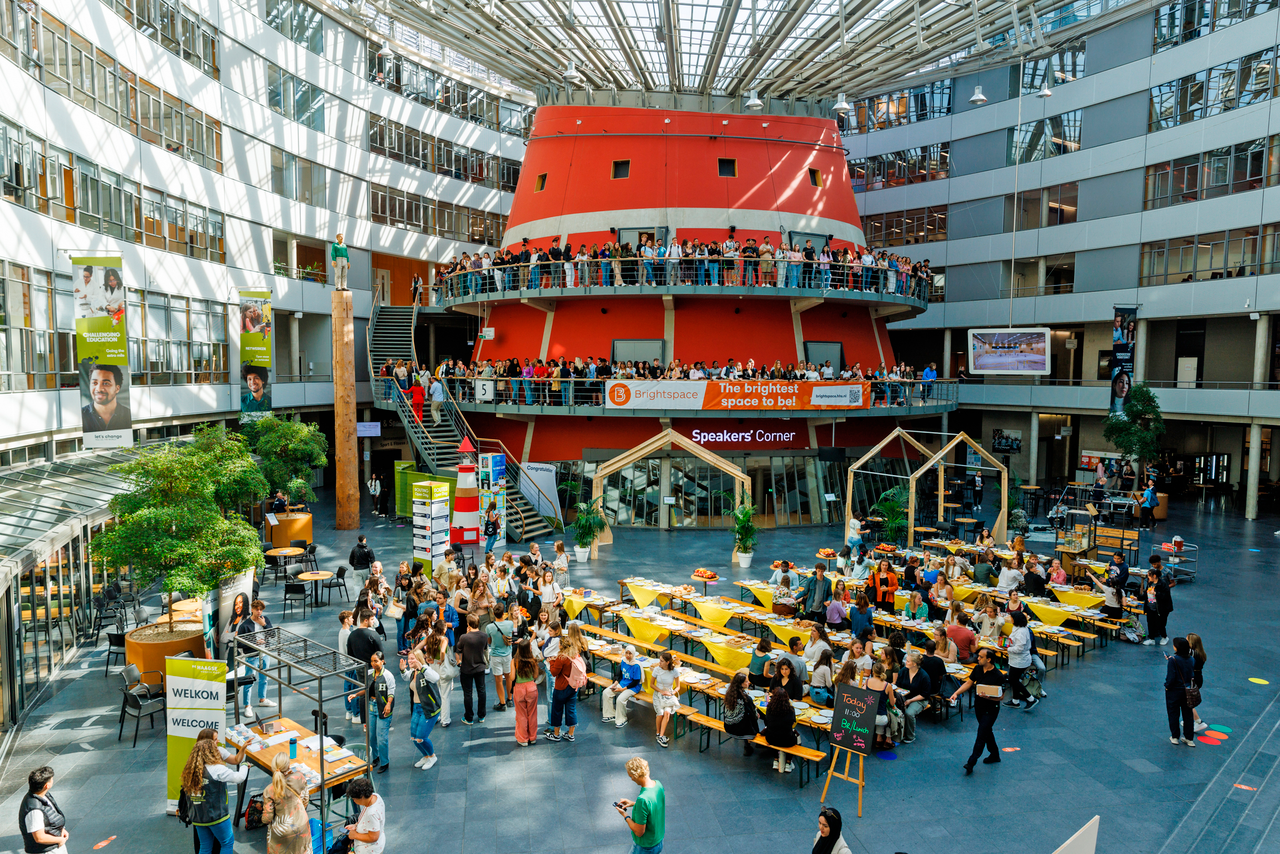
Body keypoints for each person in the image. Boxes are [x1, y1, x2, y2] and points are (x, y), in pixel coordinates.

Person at [182, 738, 250, 854]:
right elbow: (239, 778)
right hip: (217, 816)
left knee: (205, 846)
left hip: (199, 818)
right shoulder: (216, 769)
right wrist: (244, 765)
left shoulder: (190, 771)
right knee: (227, 843)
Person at [949, 647, 1006, 774]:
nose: (978, 658)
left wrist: (989, 697)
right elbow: (969, 683)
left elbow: (1001, 697)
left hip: (991, 709)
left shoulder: (998, 677)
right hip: (979, 706)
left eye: (980, 656)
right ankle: (995, 754)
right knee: (986, 731)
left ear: (989, 659)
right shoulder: (978, 669)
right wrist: (956, 693)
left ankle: (971, 762)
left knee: (981, 734)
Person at [260, 753, 310, 854]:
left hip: (281, 833)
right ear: (288, 765)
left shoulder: (269, 790)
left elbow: (267, 818)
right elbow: (305, 800)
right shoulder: (299, 777)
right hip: (301, 826)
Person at [615, 757, 665, 854]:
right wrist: (634, 804)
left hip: (645, 847)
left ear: (636, 775)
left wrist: (625, 815)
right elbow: (653, 806)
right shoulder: (658, 785)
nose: (632, 779)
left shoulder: (643, 799)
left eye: (631, 777)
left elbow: (639, 832)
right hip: (658, 841)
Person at [235, 599, 275, 719]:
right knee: (249, 681)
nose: (259, 612)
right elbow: (240, 644)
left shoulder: (265, 620)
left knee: (264, 678)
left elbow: (272, 635)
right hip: (252, 656)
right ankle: (247, 706)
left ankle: (262, 699)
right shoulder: (245, 625)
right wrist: (254, 643)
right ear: (252, 610)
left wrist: (264, 625)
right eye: (257, 609)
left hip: (265, 653)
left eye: (261, 610)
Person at [405, 649, 441, 769]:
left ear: (419, 659)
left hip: (428, 708)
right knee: (414, 737)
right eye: (409, 658)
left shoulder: (426, 669)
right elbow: (406, 677)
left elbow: (436, 678)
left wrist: (421, 667)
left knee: (421, 738)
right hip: (417, 707)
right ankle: (425, 756)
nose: (410, 661)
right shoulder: (412, 671)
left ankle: (432, 756)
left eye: (412, 658)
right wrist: (402, 669)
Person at [20, 767, 69, 854]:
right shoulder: (34, 810)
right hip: (46, 851)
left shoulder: (43, 795)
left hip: (54, 846)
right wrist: (60, 839)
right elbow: (40, 838)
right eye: (51, 779)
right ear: (47, 785)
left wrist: (60, 829)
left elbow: (51, 816)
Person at [546, 631, 582, 742]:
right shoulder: (576, 654)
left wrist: (551, 662)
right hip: (573, 686)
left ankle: (556, 734)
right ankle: (570, 734)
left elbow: (554, 673)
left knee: (557, 710)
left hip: (561, 687)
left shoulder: (561, 658)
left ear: (561, 645)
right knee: (571, 709)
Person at [455, 614, 490, 725]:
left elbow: (458, 650)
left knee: (468, 693)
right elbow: (484, 648)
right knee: (482, 691)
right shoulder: (484, 636)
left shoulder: (464, 637)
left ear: (468, 624)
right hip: (480, 667)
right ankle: (481, 715)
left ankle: (469, 717)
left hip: (467, 668)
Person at [365, 651, 395, 773]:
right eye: (372, 661)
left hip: (383, 708)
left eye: (376, 661)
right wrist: (355, 694)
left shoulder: (388, 675)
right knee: (371, 736)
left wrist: (388, 704)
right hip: (372, 707)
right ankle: (376, 756)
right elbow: (366, 689)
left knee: (382, 738)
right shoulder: (369, 674)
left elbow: (391, 691)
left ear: (382, 661)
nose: (373, 663)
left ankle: (385, 762)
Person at [82, 364, 132, 433]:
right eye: (94, 383)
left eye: (106, 383)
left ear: (117, 388)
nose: (99, 389)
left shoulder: (128, 416)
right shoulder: (82, 416)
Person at [1166, 637, 1197, 746]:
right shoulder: (1192, 659)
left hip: (1174, 690)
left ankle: (1175, 736)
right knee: (1188, 714)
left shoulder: (1172, 660)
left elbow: (1171, 677)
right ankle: (1189, 738)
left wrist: (1167, 686)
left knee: (1173, 713)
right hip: (1187, 689)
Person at [895, 650, 931, 744]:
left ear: (914, 664)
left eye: (908, 661)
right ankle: (896, 732)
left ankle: (910, 735)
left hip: (919, 699)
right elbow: (898, 685)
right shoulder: (903, 671)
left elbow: (924, 694)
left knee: (909, 713)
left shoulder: (924, 676)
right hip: (904, 696)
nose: (905, 662)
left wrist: (910, 700)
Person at [1004, 611, 1038, 711]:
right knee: (1015, 679)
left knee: (1012, 680)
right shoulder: (1019, 628)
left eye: (1011, 618)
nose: (1010, 619)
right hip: (1016, 659)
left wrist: (1007, 649)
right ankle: (1015, 701)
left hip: (1020, 660)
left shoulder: (1021, 632)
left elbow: (1019, 648)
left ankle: (1030, 699)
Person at [603, 645, 643, 728]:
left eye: (630, 654)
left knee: (620, 699)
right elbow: (620, 675)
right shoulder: (623, 661)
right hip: (623, 683)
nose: (628, 655)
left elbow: (636, 681)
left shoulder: (636, 666)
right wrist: (615, 684)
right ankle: (610, 714)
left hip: (633, 687)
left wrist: (623, 689)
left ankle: (622, 719)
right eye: (626, 653)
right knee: (606, 692)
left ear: (633, 654)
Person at [722, 670, 760, 756]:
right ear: (741, 684)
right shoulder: (747, 699)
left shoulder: (729, 694)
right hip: (740, 730)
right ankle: (748, 746)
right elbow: (753, 714)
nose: (749, 682)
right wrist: (756, 716)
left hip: (728, 726)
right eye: (746, 681)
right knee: (753, 717)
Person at [485, 603, 515, 711]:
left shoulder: (489, 627)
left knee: (498, 680)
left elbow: (489, 641)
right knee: (508, 677)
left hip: (496, 656)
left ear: (493, 613)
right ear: (504, 613)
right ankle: (510, 699)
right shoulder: (510, 624)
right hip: (507, 654)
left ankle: (502, 703)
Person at [344, 777, 385, 853]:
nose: (354, 801)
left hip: (369, 850)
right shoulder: (375, 796)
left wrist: (354, 835)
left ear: (362, 797)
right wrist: (356, 826)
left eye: (354, 799)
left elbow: (373, 837)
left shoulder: (371, 813)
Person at [511, 639, 540, 745]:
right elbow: (536, 676)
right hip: (531, 687)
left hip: (519, 689)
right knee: (532, 713)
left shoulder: (514, 661)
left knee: (521, 714)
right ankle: (533, 737)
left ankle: (523, 739)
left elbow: (512, 677)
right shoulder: (533, 660)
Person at [763, 687, 798, 773]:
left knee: (775, 732)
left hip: (771, 739)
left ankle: (776, 759)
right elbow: (792, 723)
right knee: (795, 736)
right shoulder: (790, 710)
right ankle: (788, 762)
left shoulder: (769, 708)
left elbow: (766, 721)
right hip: (787, 741)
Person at [652, 651, 680, 747]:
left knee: (667, 713)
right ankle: (658, 733)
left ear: (668, 662)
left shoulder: (674, 672)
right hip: (658, 694)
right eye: (660, 660)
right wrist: (661, 691)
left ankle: (661, 735)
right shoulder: (656, 670)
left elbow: (678, 687)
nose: (659, 663)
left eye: (662, 661)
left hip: (668, 695)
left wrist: (672, 693)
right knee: (660, 713)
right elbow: (651, 684)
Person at [1142, 566, 1173, 646]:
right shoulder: (1150, 583)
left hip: (1161, 608)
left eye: (1149, 575)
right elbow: (1146, 593)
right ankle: (1151, 638)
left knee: (1161, 624)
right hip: (1150, 606)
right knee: (1150, 623)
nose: (1148, 577)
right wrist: (1138, 597)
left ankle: (1164, 637)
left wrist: (1156, 593)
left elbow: (1166, 596)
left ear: (1154, 576)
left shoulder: (1163, 583)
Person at [1188, 632, 1209, 732]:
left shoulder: (1191, 653)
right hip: (1199, 676)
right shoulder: (1201, 653)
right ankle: (1190, 719)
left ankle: (1198, 721)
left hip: (1193, 678)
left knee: (1187, 701)